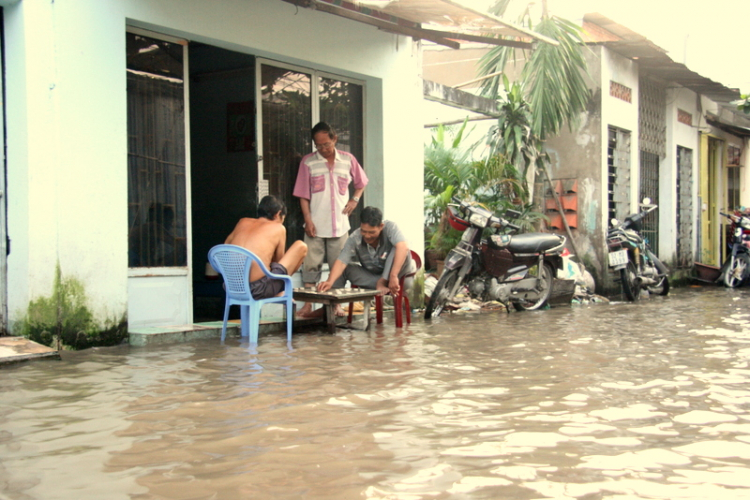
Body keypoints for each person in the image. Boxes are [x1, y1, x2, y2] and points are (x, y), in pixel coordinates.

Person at [293, 121, 368, 317]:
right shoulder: (308, 162)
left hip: (340, 225)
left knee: (339, 266)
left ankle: (336, 306)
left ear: (334, 139)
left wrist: (354, 200)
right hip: (315, 224)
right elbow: (303, 195)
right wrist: (308, 220)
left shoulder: (348, 159)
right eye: (318, 145)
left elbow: (361, 183)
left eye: (326, 144)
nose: (323, 149)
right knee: (310, 266)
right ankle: (308, 305)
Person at [224, 195, 307, 299]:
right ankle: (276, 292)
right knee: (301, 246)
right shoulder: (278, 228)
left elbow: (225, 246)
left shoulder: (242, 221)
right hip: (257, 290)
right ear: (278, 214)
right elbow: (279, 264)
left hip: (231, 286)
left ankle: (273, 292)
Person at [317, 206, 413, 296]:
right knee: (345, 269)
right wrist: (329, 281)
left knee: (397, 247)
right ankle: (333, 307)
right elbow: (342, 261)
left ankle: (383, 281)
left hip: (399, 279)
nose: (367, 236)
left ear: (381, 226)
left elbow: (403, 247)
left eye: (371, 232)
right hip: (374, 279)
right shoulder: (355, 237)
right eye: (364, 231)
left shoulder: (390, 228)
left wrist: (393, 275)